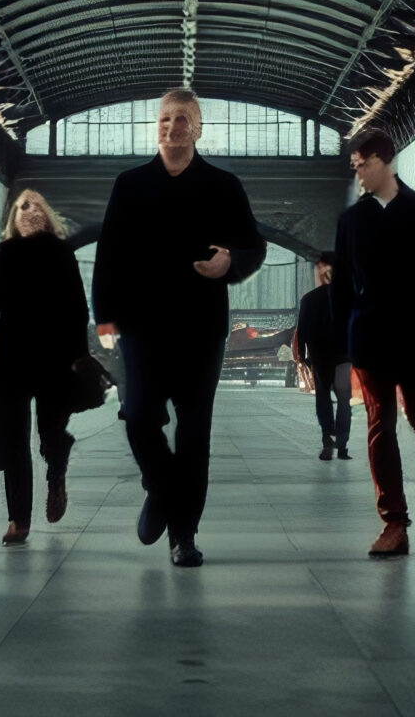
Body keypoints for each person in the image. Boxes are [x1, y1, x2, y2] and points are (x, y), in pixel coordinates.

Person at [90, 87, 266, 567]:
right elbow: (107, 256)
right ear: (157, 125)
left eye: (183, 120)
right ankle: (162, 488)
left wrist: (231, 262)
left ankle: (183, 537)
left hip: (201, 329)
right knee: (138, 414)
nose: (173, 128)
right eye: (166, 119)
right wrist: (103, 315)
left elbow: (254, 246)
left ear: (199, 128)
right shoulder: (129, 185)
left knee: (194, 433)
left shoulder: (223, 186)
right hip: (141, 327)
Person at [332, 124, 415, 557]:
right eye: (354, 168)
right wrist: (344, 332)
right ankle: (394, 522)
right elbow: (342, 288)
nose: (359, 176)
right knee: (379, 427)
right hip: (370, 338)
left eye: (363, 165)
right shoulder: (351, 221)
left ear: (385, 160)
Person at [0, 185, 91, 544]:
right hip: (12, 359)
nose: (27, 209)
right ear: (12, 217)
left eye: (34, 205)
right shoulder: (4, 253)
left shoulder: (61, 252)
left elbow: (78, 309)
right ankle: (18, 519)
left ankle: (56, 471)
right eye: (20, 206)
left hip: (55, 357)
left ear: (46, 214)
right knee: (13, 439)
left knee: (51, 431)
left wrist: (79, 357)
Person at [294, 253, 350, 461]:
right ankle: (343, 445)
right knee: (344, 399)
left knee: (323, 395)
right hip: (344, 353)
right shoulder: (349, 296)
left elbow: (302, 330)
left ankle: (327, 438)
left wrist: (302, 356)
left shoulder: (309, 299)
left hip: (319, 354)